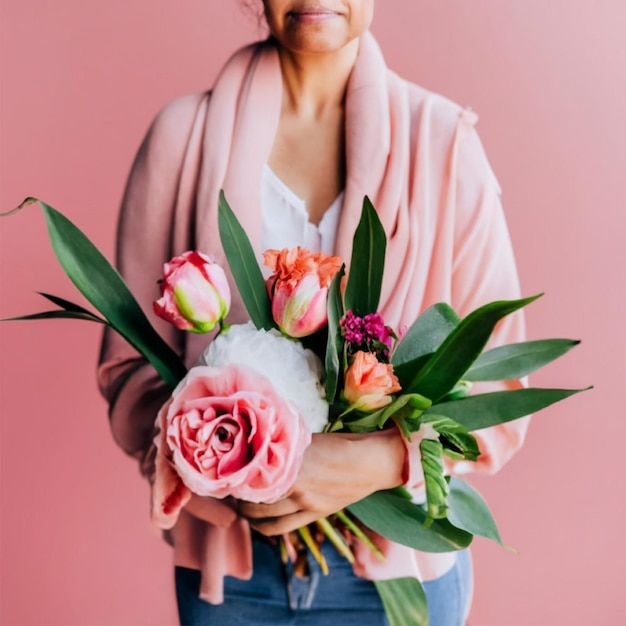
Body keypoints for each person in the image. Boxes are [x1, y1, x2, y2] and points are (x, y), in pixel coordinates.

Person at [98, 1, 530, 624]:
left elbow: (497, 388)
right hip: (232, 576)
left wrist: (378, 459)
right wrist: (225, 460)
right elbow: (130, 370)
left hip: (397, 573)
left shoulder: (445, 147)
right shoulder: (182, 138)